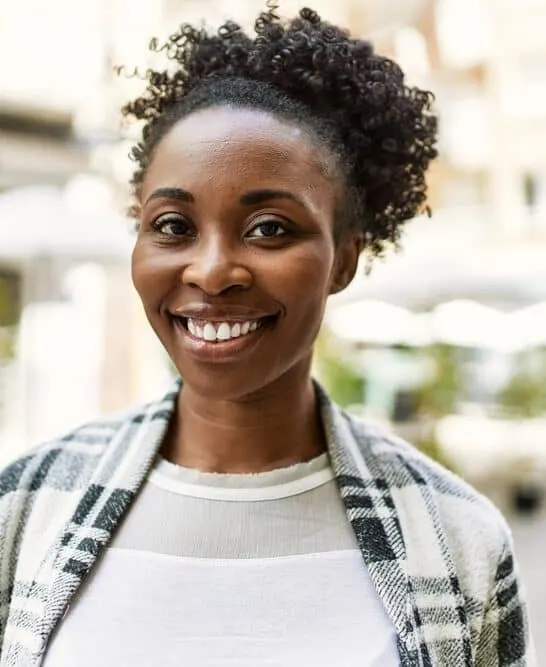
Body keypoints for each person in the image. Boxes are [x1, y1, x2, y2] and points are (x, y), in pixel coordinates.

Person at [0, 4, 534, 666]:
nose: (213, 270)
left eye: (270, 228)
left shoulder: (458, 536)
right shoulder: (25, 504)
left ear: (344, 258)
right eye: (172, 225)